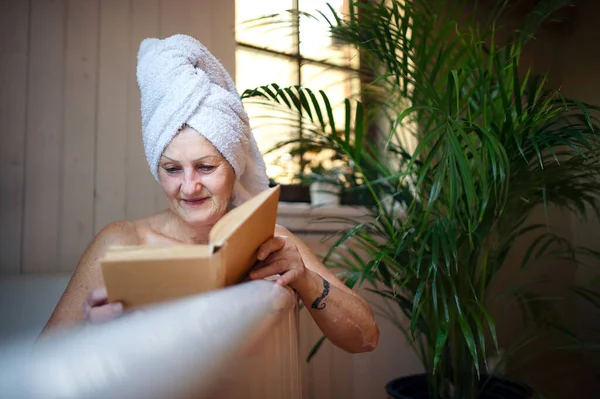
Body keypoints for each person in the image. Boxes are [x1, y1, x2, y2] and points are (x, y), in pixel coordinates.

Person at [41, 34, 379, 354]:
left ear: (233, 166)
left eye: (205, 167)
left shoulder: (272, 241)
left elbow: (366, 337)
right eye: (172, 169)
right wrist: (94, 336)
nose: (188, 186)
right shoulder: (121, 243)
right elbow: (43, 364)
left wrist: (304, 279)